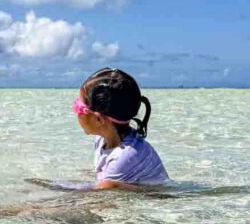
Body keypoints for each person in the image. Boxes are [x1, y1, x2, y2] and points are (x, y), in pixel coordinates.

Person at [33, 67, 168, 192]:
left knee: (106, 186)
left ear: (99, 119)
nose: (75, 112)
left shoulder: (125, 156)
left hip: (157, 198)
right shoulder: (103, 140)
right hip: (133, 189)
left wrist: (35, 210)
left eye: (78, 107)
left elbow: (98, 199)